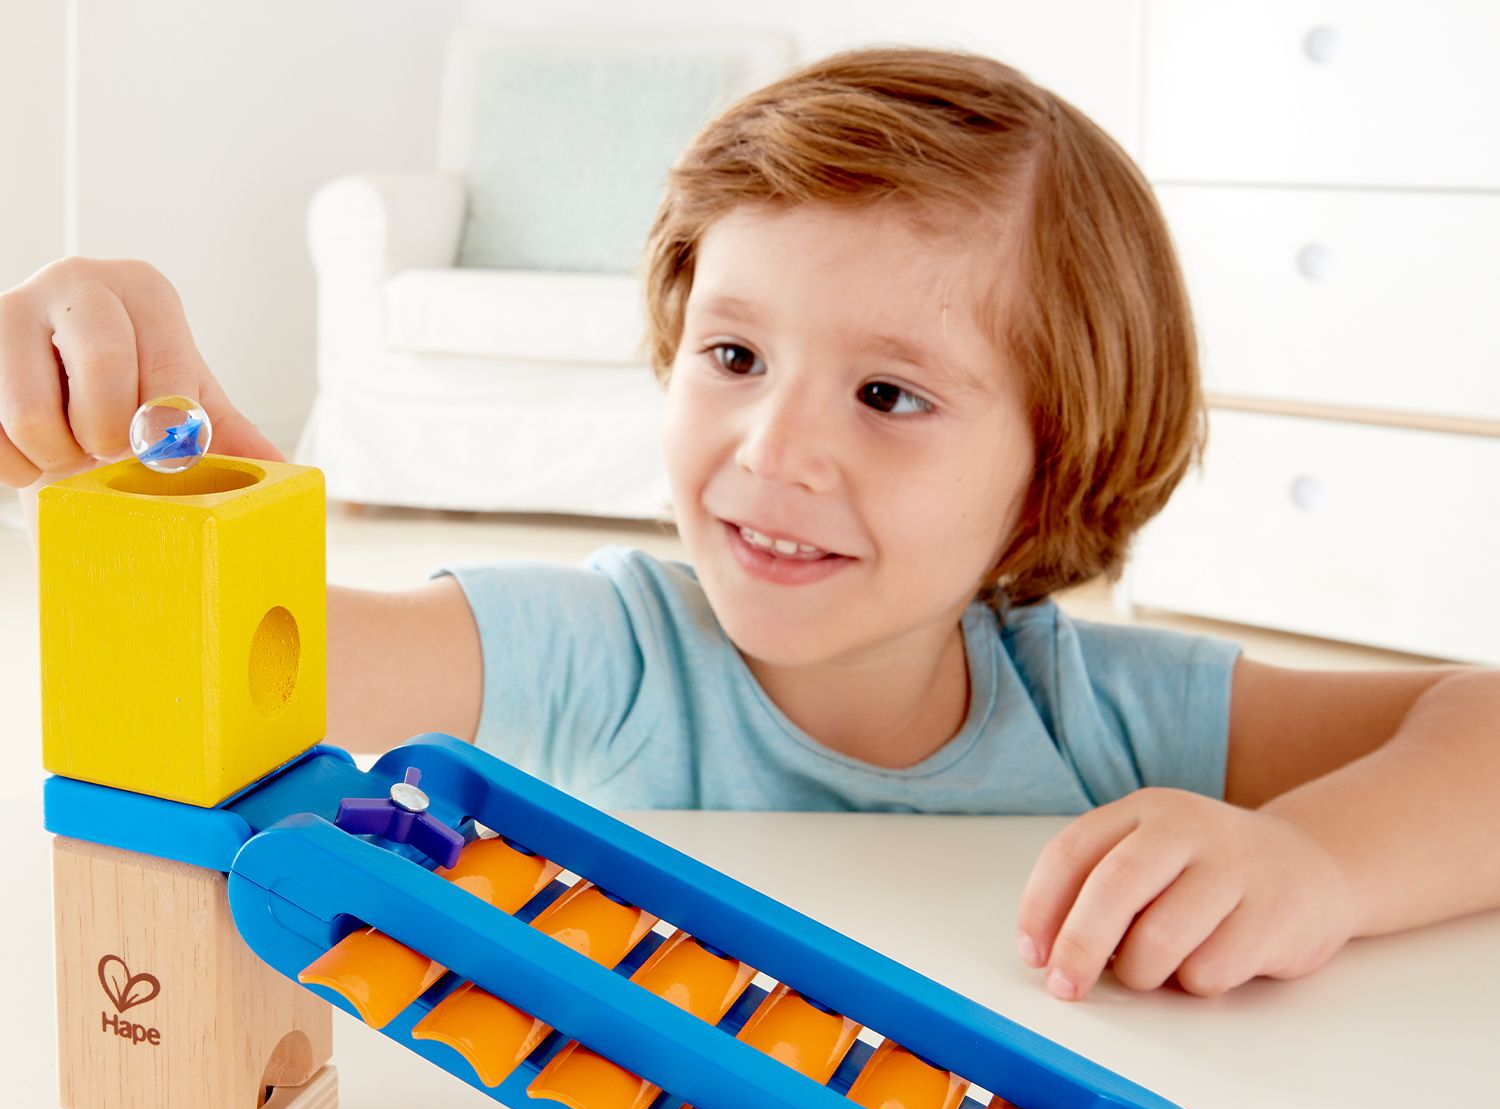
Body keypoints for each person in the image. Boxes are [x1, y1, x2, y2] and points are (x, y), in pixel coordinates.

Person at [3, 47, 1497, 1004]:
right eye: (733, 355)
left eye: (890, 394)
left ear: (1055, 469)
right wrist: (127, 468)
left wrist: (1316, 866)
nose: (773, 449)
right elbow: (237, 659)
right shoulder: (603, 655)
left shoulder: (1105, 713)